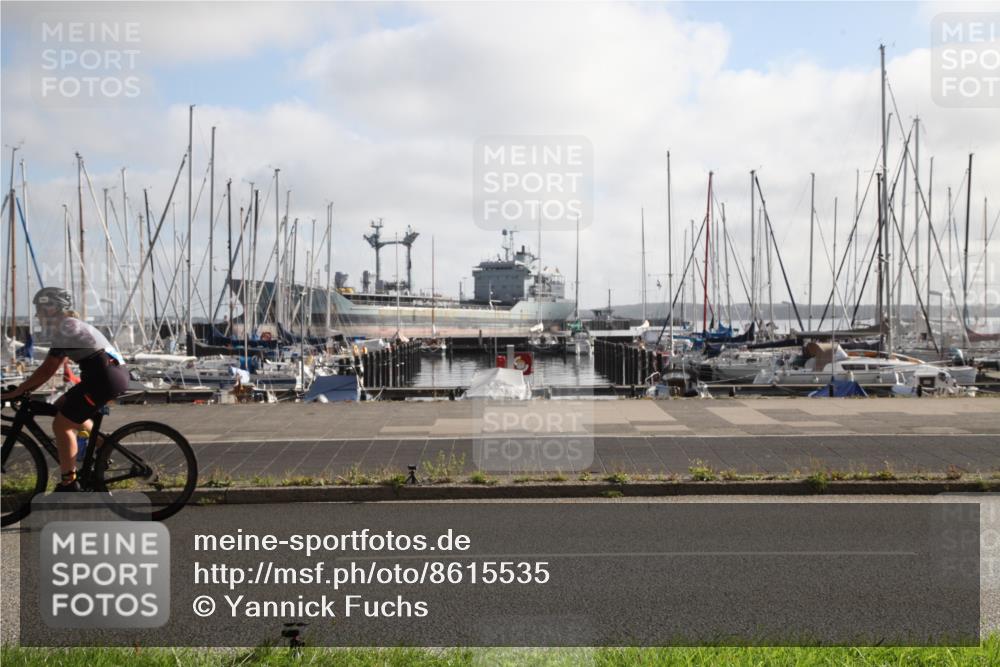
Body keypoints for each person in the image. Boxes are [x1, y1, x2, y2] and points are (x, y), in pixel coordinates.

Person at [1, 287, 129, 491]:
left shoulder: (66, 329)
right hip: (108, 375)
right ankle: (102, 445)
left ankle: (69, 483)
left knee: (62, 425)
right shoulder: (69, 326)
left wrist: (18, 391)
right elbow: (49, 369)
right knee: (63, 406)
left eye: (39, 309)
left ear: (52, 309)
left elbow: (48, 369)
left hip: (104, 378)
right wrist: (27, 389)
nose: (36, 314)